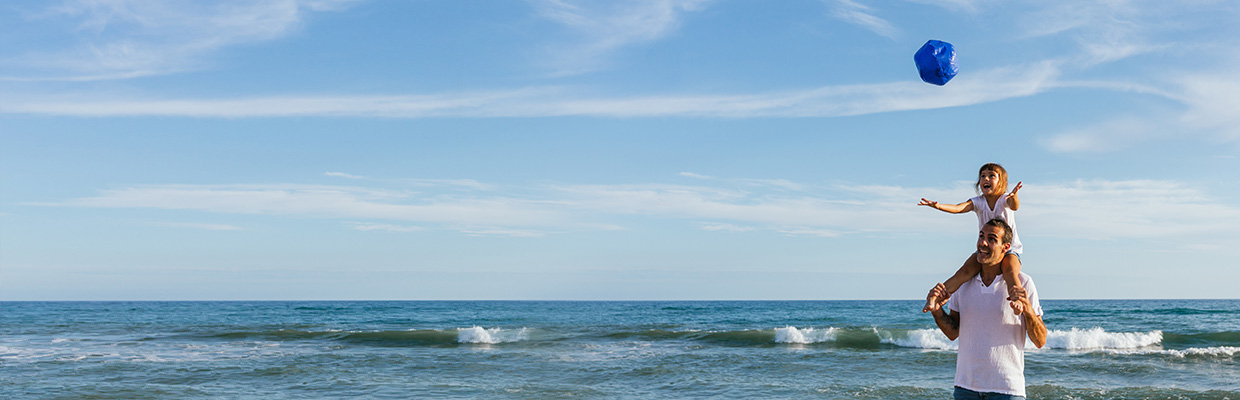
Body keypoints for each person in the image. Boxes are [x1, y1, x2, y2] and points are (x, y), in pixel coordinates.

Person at [926, 218, 1047, 400]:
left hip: (1007, 390)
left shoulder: (1024, 283)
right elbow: (953, 332)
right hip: (965, 388)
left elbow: (1040, 341)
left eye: (991, 239)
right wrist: (936, 311)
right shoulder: (963, 284)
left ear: (1005, 248)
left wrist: (1028, 309)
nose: (983, 242)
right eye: (981, 236)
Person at [919, 163, 1024, 313]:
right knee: (964, 272)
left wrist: (1014, 197)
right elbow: (958, 208)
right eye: (982, 176)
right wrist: (938, 206)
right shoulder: (979, 202)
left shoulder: (1004, 199)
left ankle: (1017, 300)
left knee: (1010, 271)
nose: (985, 179)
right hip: (985, 250)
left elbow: (1014, 206)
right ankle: (936, 297)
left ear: (1002, 183)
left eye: (991, 175)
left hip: (1009, 249)